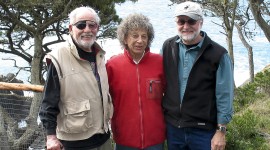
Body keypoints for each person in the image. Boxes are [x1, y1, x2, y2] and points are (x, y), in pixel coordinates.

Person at [160, 1, 234, 150]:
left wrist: (221, 131)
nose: (186, 26)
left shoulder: (219, 54)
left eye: (191, 21)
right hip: (174, 129)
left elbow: (224, 95)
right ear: (176, 22)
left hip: (203, 131)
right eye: (181, 21)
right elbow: (160, 82)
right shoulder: (167, 47)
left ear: (201, 22)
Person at [39, 6, 113, 150]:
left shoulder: (99, 55)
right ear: (70, 28)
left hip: (103, 138)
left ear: (97, 28)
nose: (87, 29)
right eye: (81, 25)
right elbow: (48, 101)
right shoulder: (59, 57)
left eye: (92, 25)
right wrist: (51, 137)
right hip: (75, 144)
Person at [106, 13, 166, 150]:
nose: (140, 40)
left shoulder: (160, 62)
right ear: (125, 38)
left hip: (155, 139)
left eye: (144, 36)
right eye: (135, 35)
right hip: (124, 139)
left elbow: (170, 94)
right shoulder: (112, 65)